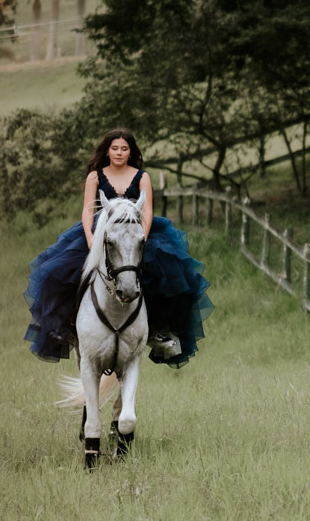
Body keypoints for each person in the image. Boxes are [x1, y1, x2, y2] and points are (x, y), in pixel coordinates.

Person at [24, 128, 213, 368]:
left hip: (137, 232)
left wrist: (142, 239)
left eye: (124, 148)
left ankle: (159, 332)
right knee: (60, 271)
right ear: (107, 150)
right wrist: (91, 237)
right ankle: (65, 328)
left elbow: (148, 211)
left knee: (167, 272)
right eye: (115, 148)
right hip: (102, 232)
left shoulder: (142, 176)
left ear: (130, 151)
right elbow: (87, 210)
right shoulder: (95, 176)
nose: (119, 152)